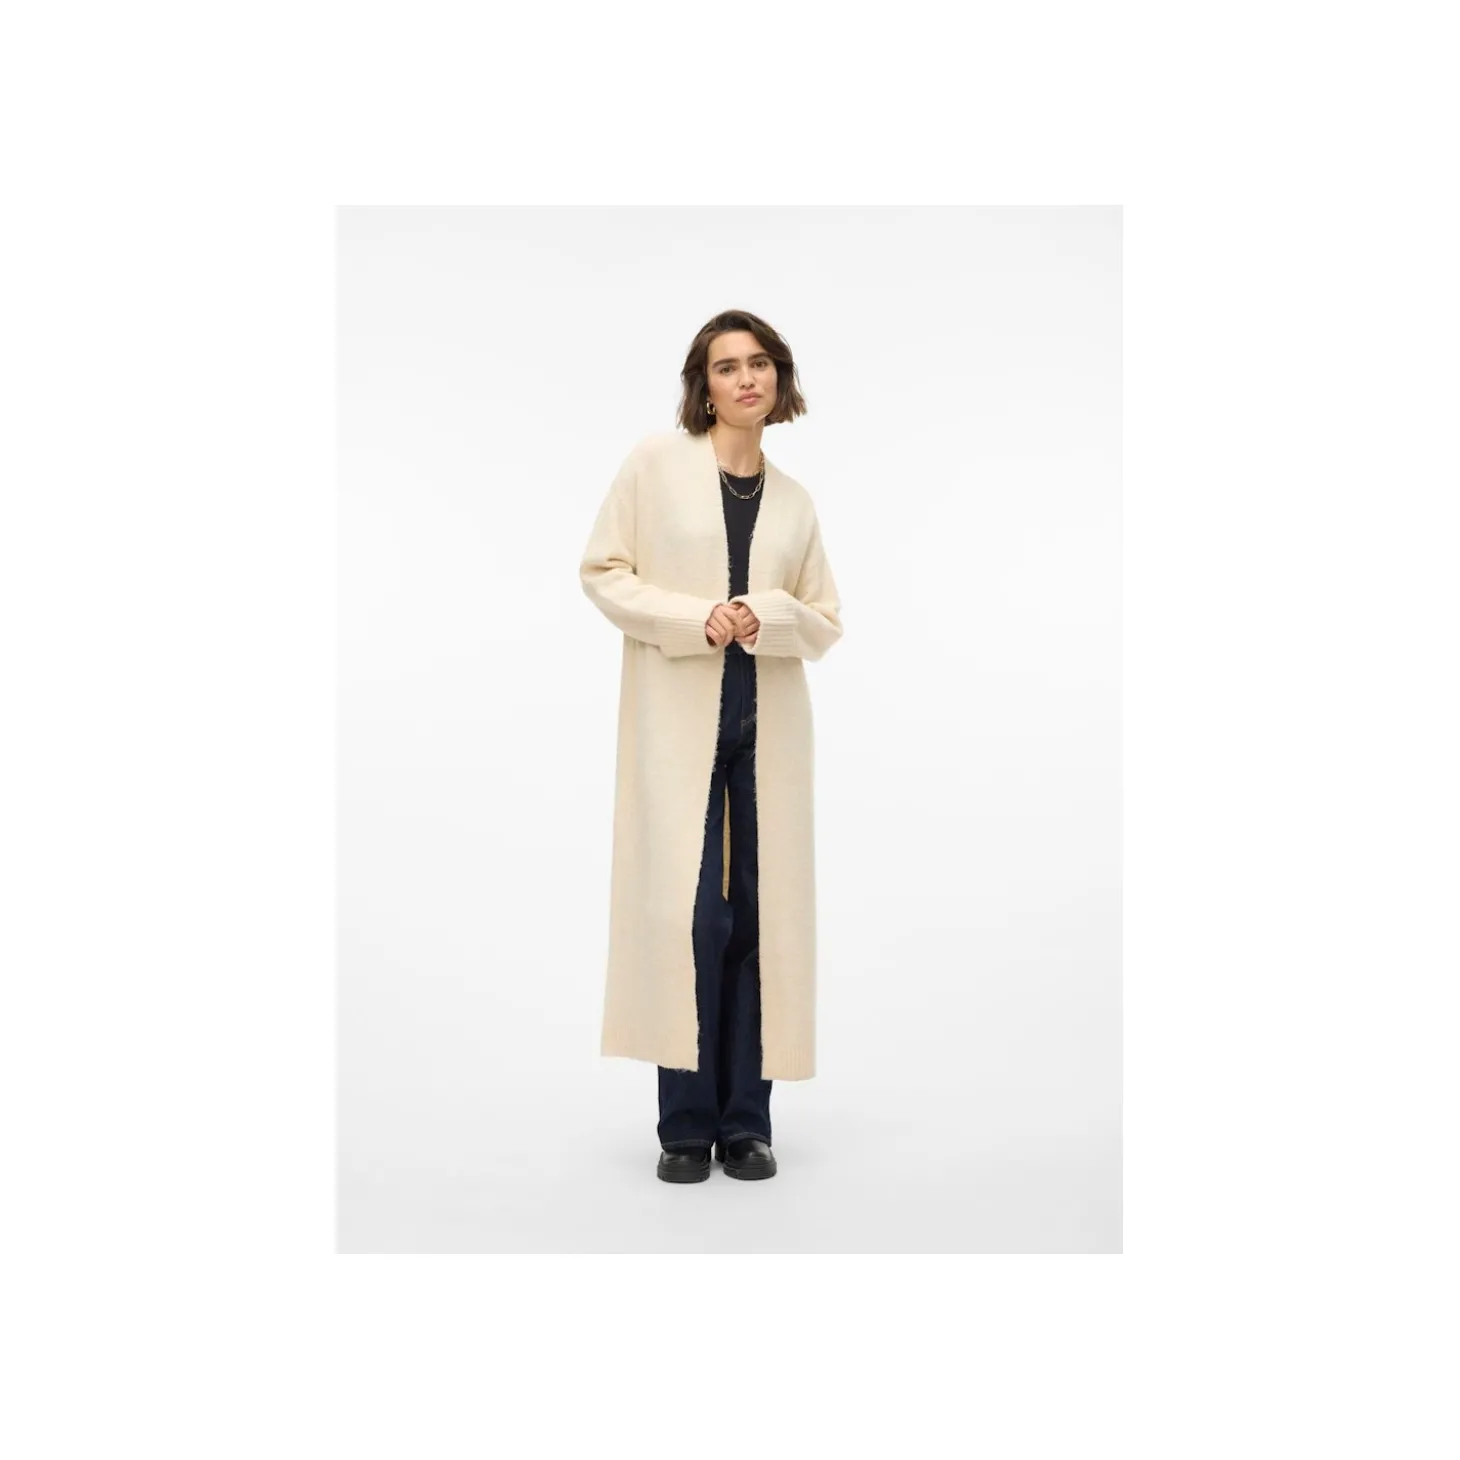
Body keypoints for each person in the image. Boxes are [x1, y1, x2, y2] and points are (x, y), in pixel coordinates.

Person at [579, 309, 843, 1184]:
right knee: (692, 922)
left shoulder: (795, 501)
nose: (746, 379)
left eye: (759, 363)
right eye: (727, 366)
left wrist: (766, 616)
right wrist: (697, 618)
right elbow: (603, 572)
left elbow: (824, 620)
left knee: (759, 927)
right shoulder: (655, 465)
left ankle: (747, 1124)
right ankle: (686, 1126)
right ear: (705, 385)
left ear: (780, 379)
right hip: (677, 731)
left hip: (767, 738)